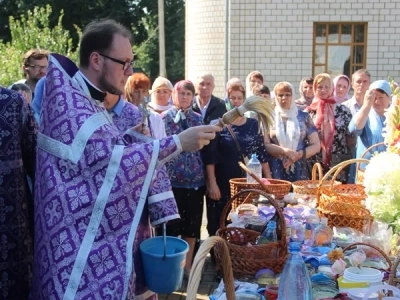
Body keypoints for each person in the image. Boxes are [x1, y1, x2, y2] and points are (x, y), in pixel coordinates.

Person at [30, 19, 221, 300]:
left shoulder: (85, 98)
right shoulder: (69, 104)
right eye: (124, 63)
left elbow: (109, 148)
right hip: (73, 259)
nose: (130, 72)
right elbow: (107, 162)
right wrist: (179, 142)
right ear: (96, 59)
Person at [203, 83, 272, 238]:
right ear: (227, 100)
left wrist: (268, 181)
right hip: (223, 184)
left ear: (244, 100)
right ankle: (219, 257)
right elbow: (210, 157)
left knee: (244, 221)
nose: (236, 101)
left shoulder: (253, 124)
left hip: (247, 184)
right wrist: (212, 184)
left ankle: (239, 257)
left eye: (239, 98)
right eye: (232, 98)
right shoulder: (218, 124)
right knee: (220, 222)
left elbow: (261, 154)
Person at [162, 80, 206, 277]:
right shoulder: (163, 119)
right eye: (182, 93)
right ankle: (171, 270)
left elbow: (205, 150)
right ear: (174, 95)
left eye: (189, 94)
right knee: (171, 228)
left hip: (194, 182)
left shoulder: (198, 119)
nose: (185, 97)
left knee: (191, 227)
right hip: (170, 182)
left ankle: (187, 268)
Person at [0, 87, 37, 299]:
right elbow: (40, 167)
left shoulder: (15, 104)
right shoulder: (14, 103)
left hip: (13, 237)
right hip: (13, 237)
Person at [265, 82, 320, 181]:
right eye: (280, 95)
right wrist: (285, 151)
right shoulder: (269, 117)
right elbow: (266, 144)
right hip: (276, 167)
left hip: (300, 167)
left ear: (293, 96)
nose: (284, 98)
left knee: (300, 196)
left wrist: (296, 155)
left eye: (287, 95)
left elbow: (316, 145)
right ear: (275, 97)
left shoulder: (304, 117)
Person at [306, 73, 353, 182]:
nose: (323, 90)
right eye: (320, 87)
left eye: (327, 86)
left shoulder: (343, 110)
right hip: (315, 161)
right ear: (315, 89)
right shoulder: (309, 112)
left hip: (337, 160)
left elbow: (350, 137)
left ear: (332, 88)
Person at [348, 80, 390, 182]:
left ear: (389, 98)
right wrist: (366, 106)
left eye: (381, 98)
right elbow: (354, 129)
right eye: (374, 98)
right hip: (365, 169)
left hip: (390, 169)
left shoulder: (395, 115)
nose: (377, 101)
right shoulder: (365, 113)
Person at [125, 73, 167, 139]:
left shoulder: (155, 118)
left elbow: (162, 144)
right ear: (129, 93)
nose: (140, 96)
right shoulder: (122, 117)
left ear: (147, 94)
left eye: (143, 91)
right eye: (136, 91)